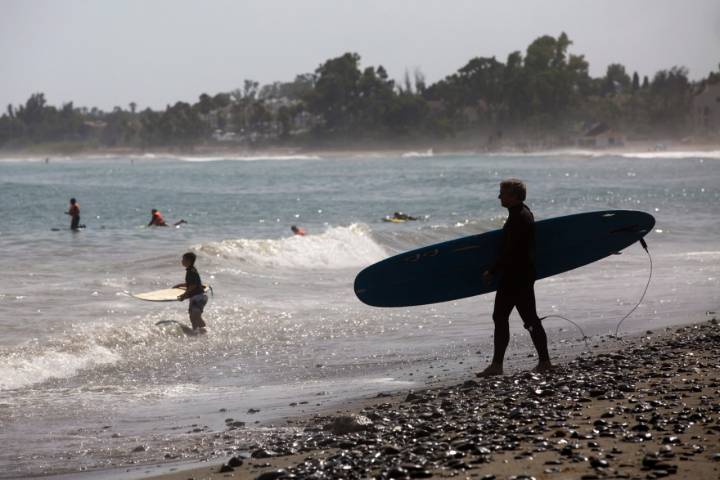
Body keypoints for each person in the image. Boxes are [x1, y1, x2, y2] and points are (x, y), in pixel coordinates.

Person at [478, 178, 552, 377]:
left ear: (513, 196)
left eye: (502, 192)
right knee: (526, 319)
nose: (499, 196)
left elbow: (511, 250)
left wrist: (492, 270)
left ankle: (498, 365)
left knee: (506, 317)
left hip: (516, 276)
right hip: (522, 274)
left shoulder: (519, 217)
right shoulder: (522, 213)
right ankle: (543, 362)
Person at [174, 252, 208, 333]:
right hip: (200, 297)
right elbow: (191, 284)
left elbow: (193, 286)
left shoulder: (190, 271)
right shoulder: (192, 270)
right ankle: (197, 332)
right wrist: (180, 285)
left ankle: (204, 330)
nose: (181, 261)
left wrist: (184, 295)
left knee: (195, 315)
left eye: (183, 259)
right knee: (192, 317)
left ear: (188, 261)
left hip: (197, 298)